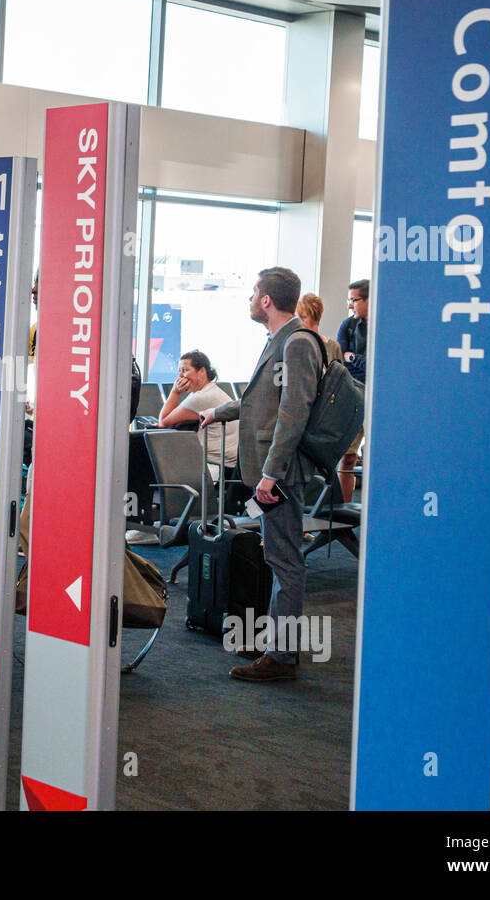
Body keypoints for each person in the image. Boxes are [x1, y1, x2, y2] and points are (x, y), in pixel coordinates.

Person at [199, 267, 322, 683]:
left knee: (287, 563)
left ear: (267, 300)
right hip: (273, 470)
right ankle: (276, 644)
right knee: (279, 556)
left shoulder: (297, 343)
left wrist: (271, 473)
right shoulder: (279, 341)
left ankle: (282, 657)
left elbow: (294, 412)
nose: (250, 298)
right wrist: (217, 411)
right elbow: (261, 401)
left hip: (280, 473)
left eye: (254, 292)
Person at [157, 350, 238, 469]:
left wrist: (175, 391)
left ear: (202, 372)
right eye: (179, 371)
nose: (180, 377)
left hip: (214, 466)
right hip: (227, 464)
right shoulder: (211, 390)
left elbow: (163, 422)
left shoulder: (202, 397)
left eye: (185, 370)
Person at [335, 279, 369, 502]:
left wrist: (354, 357)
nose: (350, 305)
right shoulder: (347, 326)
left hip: (378, 395)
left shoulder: (386, 325)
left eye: (354, 300)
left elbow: (375, 364)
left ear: (369, 300)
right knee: (347, 457)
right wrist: (357, 361)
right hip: (353, 395)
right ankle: (342, 511)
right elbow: (340, 362)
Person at [296, 293, 344, 365]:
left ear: (315, 317)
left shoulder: (333, 347)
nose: (300, 322)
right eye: (297, 318)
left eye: (303, 317)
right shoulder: (295, 345)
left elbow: (340, 375)